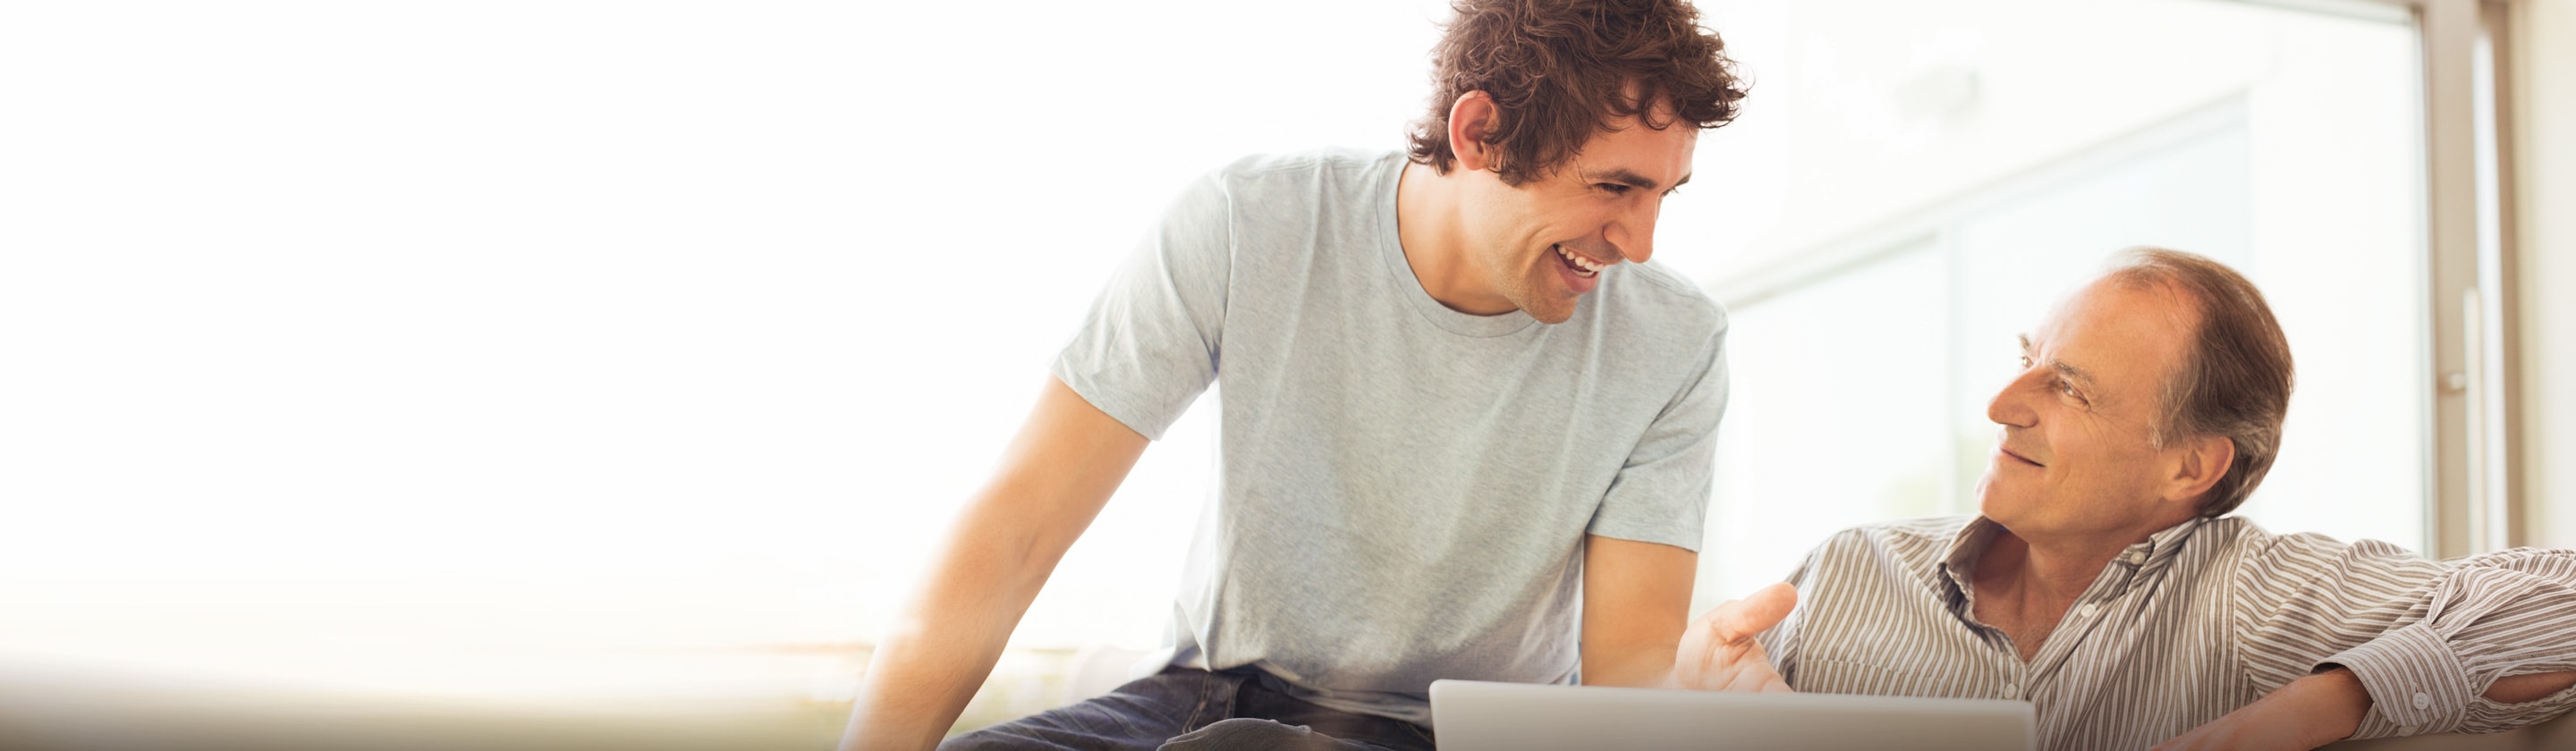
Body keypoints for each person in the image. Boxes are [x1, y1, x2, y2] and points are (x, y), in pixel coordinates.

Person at [839, 1, 1775, 749]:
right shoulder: (1252, 224)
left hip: (1447, 733)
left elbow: (1628, 674)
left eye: (1664, 194)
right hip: (1197, 701)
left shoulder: (1674, 343)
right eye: (1615, 187)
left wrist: (1687, 695)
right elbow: (1018, 528)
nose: (1641, 244)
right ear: (1480, 132)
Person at [1674, 248, 2576, 751]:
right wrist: (1697, 720)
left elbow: (2560, 602)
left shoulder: (2246, 591)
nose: (2000, 406)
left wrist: (2320, 703)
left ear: (2190, 468)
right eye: (2026, 359)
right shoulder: (1848, 576)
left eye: (2067, 387)